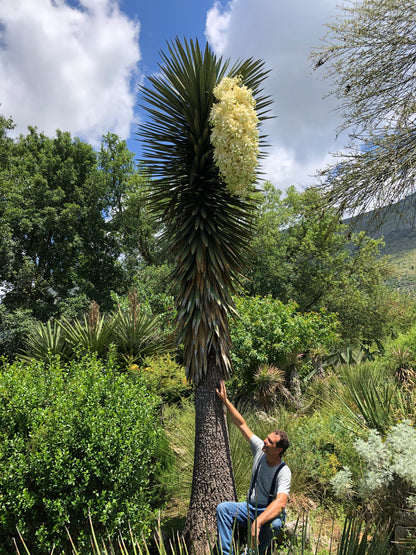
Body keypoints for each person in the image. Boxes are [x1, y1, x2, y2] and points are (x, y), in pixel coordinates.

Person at [216, 380, 291, 555]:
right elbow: (242, 425)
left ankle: (251, 553)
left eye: (270, 442)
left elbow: (280, 504)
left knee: (275, 524)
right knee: (223, 509)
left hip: (267, 511)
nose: (265, 441)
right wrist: (226, 402)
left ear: (279, 449)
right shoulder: (260, 448)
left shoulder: (284, 471)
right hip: (249, 508)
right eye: (266, 438)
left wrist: (258, 522)